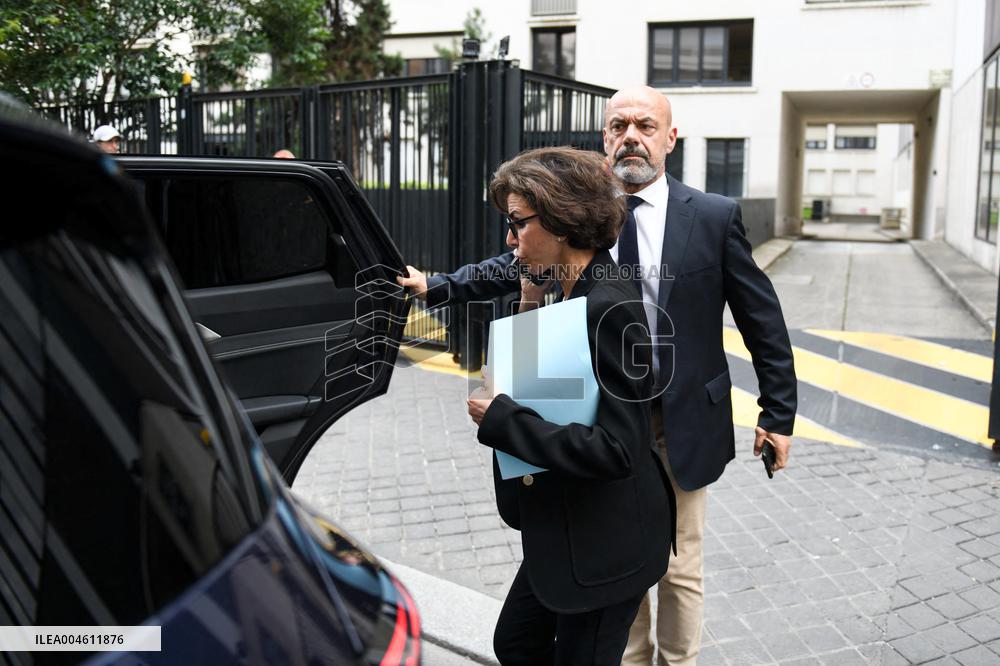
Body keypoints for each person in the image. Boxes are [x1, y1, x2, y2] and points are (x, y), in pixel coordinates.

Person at [398, 86, 797, 665]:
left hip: (677, 420)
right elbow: (509, 264)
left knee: (677, 567)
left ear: (670, 138)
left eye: (645, 126)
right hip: (597, 414)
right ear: (604, 138)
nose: (630, 136)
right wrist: (437, 285)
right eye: (618, 126)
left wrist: (776, 413)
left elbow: (762, 319)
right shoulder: (581, 220)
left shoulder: (711, 217)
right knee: (612, 557)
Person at [466, 146, 673, 665]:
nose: (510, 241)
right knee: (516, 642)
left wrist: (502, 421)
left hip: (608, 544)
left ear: (559, 220)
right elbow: (550, 391)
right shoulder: (569, 287)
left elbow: (618, 449)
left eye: (517, 224)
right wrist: (529, 303)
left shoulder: (608, 305)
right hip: (569, 522)